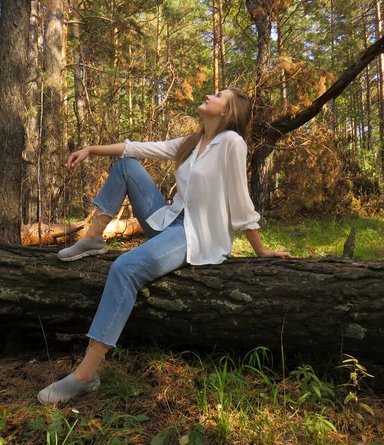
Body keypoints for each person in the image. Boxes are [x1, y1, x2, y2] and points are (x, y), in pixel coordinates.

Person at [37, 87, 292, 404]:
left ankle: (84, 377)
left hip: (193, 235)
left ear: (227, 112)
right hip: (168, 222)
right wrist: (91, 149)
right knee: (127, 165)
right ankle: (92, 239)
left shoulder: (232, 143)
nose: (210, 96)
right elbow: (138, 147)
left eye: (218, 96)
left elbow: (241, 200)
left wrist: (261, 250)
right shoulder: (192, 143)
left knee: (125, 268)